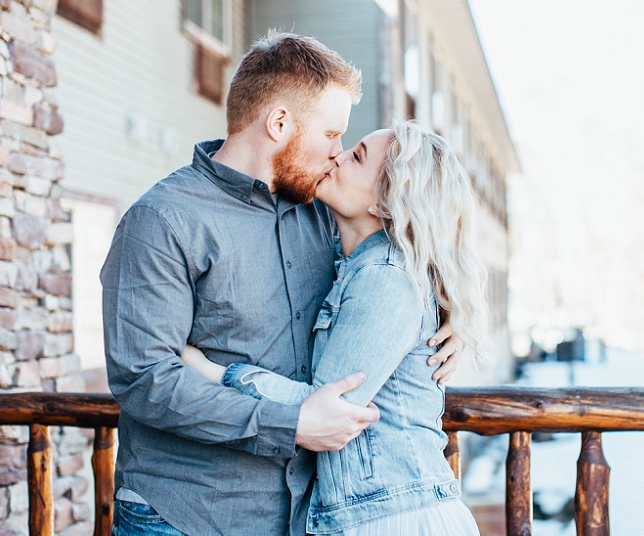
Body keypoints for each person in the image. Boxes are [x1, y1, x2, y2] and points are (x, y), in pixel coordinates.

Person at [101, 32, 463, 536]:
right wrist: (289, 425)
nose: (337, 153)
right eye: (332, 134)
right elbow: (145, 379)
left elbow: (405, 252)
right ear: (279, 123)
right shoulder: (162, 220)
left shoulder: (321, 213)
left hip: (300, 515)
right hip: (186, 514)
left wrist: (448, 315)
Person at [184, 121, 487, 535]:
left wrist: (214, 372)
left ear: (386, 202)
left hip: (395, 518)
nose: (339, 156)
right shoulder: (357, 265)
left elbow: (327, 409)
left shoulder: (386, 277)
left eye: (357, 156)